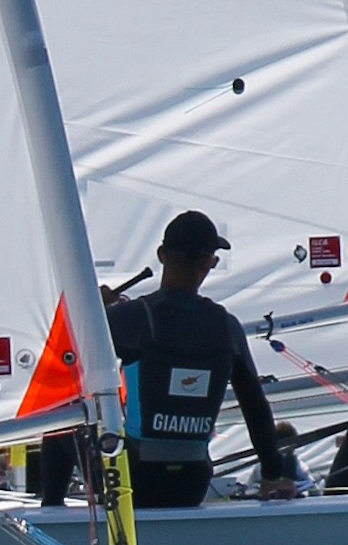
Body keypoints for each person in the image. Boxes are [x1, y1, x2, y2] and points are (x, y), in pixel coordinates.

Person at [109, 211, 297, 508]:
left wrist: (95, 312)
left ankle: (51, 504)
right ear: (208, 263)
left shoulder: (131, 317)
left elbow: (71, 354)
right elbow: (255, 406)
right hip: (193, 480)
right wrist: (272, 473)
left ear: (161, 255)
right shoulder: (227, 326)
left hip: (136, 477)